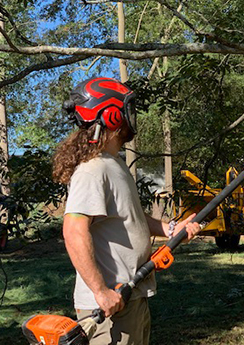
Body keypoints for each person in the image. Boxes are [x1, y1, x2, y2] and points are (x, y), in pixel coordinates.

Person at [52, 77, 200, 345]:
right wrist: (100, 292)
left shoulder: (112, 165)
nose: (131, 117)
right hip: (110, 307)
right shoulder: (93, 169)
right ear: (110, 115)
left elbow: (131, 216)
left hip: (130, 297)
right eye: (126, 109)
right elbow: (73, 230)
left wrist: (170, 229)